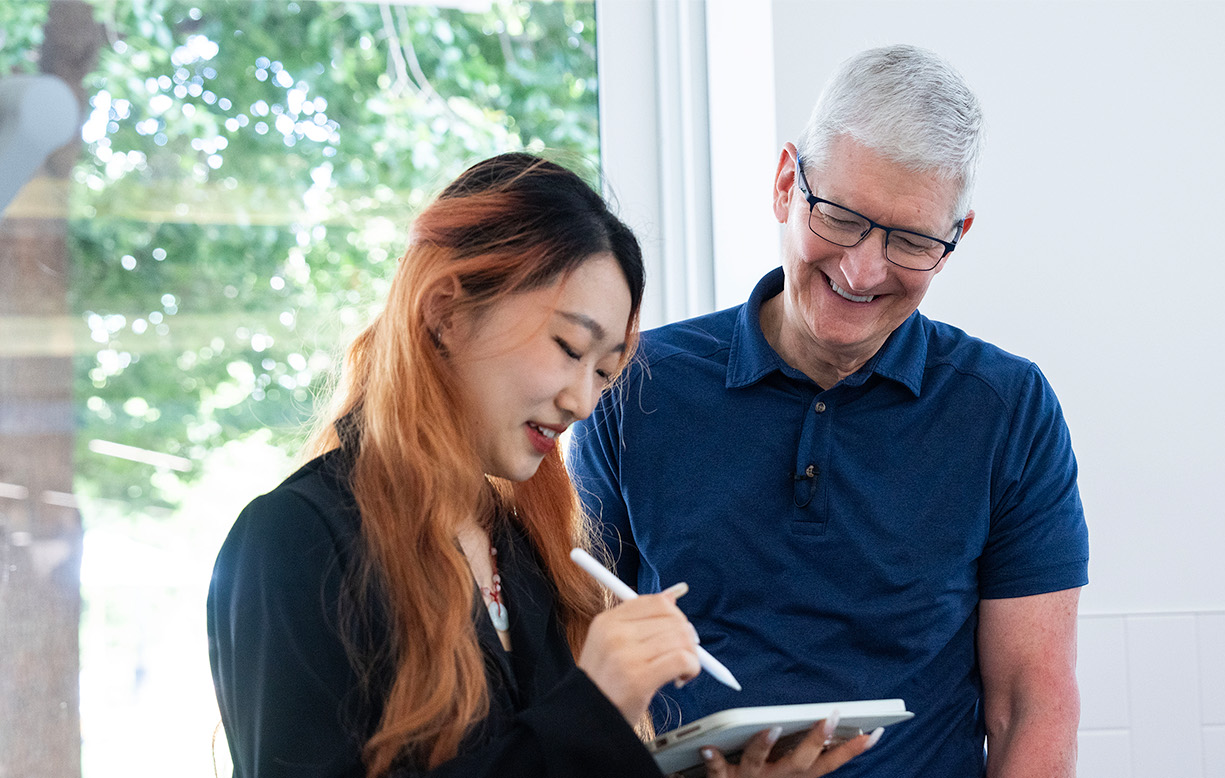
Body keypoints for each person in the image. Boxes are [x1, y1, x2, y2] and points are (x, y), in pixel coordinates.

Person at [207, 152, 872, 778]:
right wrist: (595, 705)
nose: (582, 401)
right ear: (446, 311)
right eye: (567, 347)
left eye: (606, 372)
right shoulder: (293, 543)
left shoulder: (521, 550)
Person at [569, 45, 1089, 777]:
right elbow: (577, 672)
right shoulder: (632, 386)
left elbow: (1031, 704)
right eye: (840, 218)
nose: (862, 270)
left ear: (954, 241)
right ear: (787, 185)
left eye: (910, 240)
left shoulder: (1008, 410)